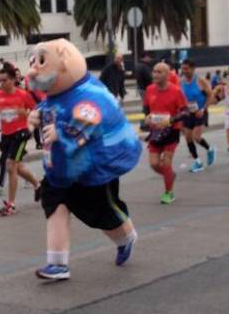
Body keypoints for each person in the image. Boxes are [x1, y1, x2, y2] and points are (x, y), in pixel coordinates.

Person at [26, 39, 142, 281]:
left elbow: (89, 119)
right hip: (61, 168)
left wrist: (62, 132)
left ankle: (126, 238)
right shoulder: (57, 94)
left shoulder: (91, 94)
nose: (34, 69)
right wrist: (36, 115)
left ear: (65, 62)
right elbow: (51, 106)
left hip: (93, 169)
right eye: (33, 62)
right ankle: (57, 264)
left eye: (42, 61)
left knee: (101, 214)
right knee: (54, 205)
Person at [0, 64, 40, 216]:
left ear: (12, 80)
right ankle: (38, 185)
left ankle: (11, 204)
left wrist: (24, 113)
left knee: (11, 166)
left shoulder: (23, 95)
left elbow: (37, 113)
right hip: (6, 135)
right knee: (18, 167)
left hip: (21, 133)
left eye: (4, 80)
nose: (1, 84)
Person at [143, 62, 189, 204]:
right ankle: (170, 175)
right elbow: (146, 108)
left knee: (166, 162)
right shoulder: (149, 89)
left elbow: (185, 111)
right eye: (154, 71)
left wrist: (170, 120)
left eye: (159, 72)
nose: (155, 74)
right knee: (154, 164)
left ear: (167, 75)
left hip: (171, 130)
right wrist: (147, 117)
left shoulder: (176, 91)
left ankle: (169, 192)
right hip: (156, 131)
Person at [179, 59, 216, 173]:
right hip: (188, 112)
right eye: (183, 68)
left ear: (193, 69)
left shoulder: (200, 81)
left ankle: (210, 149)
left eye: (186, 69)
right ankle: (198, 161)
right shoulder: (181, 82)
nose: (184, 71)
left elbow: (211, 96)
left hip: (200, 112)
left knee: (196, 136)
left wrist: (203, 109)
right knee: (188, 137)